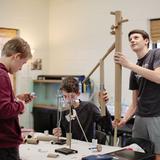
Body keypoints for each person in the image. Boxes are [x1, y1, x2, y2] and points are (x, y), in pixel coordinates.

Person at [114, 29, 160, 160]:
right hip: (140, 116)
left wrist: (129, 65)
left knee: (157, 154)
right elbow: (135, 103)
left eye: (136, 37)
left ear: (146, 41)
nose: (132, 40)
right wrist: (124, 119)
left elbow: (158, 77)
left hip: (157, 115)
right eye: (130, 39)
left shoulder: (156, 54)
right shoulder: (134, 68)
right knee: (137, 152)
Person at [0, 37, 35, 160]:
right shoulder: (2, 75)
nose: (20, 68)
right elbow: (3, 109)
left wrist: (15, 99)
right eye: (23, 63)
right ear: (16, 56)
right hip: (5, 145)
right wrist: (20, 105)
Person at [53, 76, 112, 143]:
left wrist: (103, 106)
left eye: (72, 96)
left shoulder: (89, 107)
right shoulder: (64, 111)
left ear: (78, 94)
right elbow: (64, 135)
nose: (68, 100)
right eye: (65, 96)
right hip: (70, 147)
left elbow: (108, 128)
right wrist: (59, 133)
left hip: (86, 148)